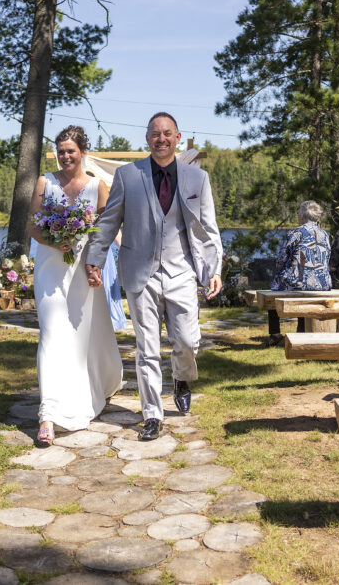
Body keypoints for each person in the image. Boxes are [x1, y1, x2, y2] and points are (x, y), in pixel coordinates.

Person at [84, 112, 223, 442]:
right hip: (139, 272)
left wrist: (214, 269)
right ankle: (151, 414)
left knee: (188, 341)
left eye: (167, 133)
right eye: (155, 134)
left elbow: (209, 229)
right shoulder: (127, 176)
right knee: (146, 349)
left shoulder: (196, 179)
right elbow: (108, 222)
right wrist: (95, 257)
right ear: (147, 139)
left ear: (177, 137)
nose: (161, 138)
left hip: (182, 271)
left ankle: (182, 377)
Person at [30, 126, 123, 445]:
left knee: (87, 335)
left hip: (84, 269)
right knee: (52, 334)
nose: (65, 155)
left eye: (71, 150)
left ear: (82, 152)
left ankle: (100, 383)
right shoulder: (45, 182)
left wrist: (95, 264)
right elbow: (32, 223)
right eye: (61, 150)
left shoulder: (98, 186)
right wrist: (54, 240)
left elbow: (104, 230)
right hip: (50, 268)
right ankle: (48, 415)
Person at [267, 200, 332, 344]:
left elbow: (281, 261)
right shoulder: (325, 235)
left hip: (298, 283)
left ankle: (275, 332)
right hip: (322, 284)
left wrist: (280, 271)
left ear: (302, 216)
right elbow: (327, 259)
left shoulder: (294, 233)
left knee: (275, 286)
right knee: (302, 285)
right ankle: (301, 330)